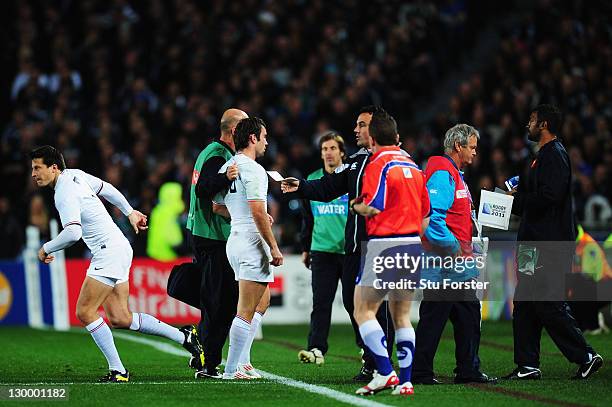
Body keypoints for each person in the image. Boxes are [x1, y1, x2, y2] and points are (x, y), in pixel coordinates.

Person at [30, 145, 203, 383]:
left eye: (37, 168)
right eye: (32, 168)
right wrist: (130, 211)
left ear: (54, 167)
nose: (33, 173)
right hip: (119, 247)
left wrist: (45, 248)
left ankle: (118, 370)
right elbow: (107, 189)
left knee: (85, 311)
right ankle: (185, 337)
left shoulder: (63, 191)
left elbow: (73, 233)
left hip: (108, 252)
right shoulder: (76, 175)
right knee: (121, 317)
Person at [281, 105, 395, 382]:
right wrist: (303, 187)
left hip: (380, 245)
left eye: (361, 125)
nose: (355, 129)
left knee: (381, 308)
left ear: (376, 128)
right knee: (353, 303)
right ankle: (372, 361)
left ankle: (385, 363)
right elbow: (330, 187)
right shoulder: (357, 162)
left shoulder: (393, 161)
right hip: (354, 247)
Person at [503, 104, 603, 380]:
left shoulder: (555, 155)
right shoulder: (543, 156)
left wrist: (517, 201)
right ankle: (527, 365)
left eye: (532, 120)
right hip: (533, 241)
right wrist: (518, 196)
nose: (528, 125)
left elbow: (550, 197)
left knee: (548, 303)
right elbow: (543, 195)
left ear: (544, 124)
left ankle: (585, 355)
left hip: (548, 243)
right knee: (524, 302)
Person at [350, 109, 430, 396]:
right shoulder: (413, 165)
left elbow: (374, 206)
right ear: (396, 137)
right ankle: (406, 381)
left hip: (385, 244)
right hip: (412, 245)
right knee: (402, 315)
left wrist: (356, 206)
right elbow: (426, 216)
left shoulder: (378, 163)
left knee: (363, 309)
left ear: (372, 137)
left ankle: (385, 372)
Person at [412, 124, 497, 385]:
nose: (474, 152)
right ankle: (422, 371)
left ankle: (466, 369)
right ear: (458, 146)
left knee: (467, 315)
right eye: (471, 147)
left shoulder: (452, 173)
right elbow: (432, 219)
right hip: (446, 263)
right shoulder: (441, 173)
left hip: (455, 264)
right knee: (435, 317)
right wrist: (454, 248)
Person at [212, 117, 282, 380]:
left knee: (261, 302)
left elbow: (217, 207)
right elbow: (256, 209)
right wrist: (273, 246)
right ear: (253, 138)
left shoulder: (229, 166)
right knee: (246, 308)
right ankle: (231, 371)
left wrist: (246, 215)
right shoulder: (254, 170)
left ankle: (244, 362)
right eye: (264, 136)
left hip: (236, 239)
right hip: (252, 241)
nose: (266, 142)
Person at [185, 108, 246, 378]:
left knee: (215, 298)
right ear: (234, 131)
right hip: (212, 237)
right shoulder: (219, 155)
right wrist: (226, 177)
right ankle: (208, 360)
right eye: (245, 128)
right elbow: (204, 188)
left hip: (205, 234)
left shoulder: (211, 151)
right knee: (219, 302)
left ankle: (204, 353)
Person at [297, 132, 349, 365]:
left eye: (332, 148)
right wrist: (306, 247)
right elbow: (307, 218)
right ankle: (316, 348)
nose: (328, 153)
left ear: (342, 153)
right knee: (321, 302)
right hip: (322, 250)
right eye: (324, 149)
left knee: (354, 303)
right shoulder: (313, 179)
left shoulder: (351, 178)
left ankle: (366, 348)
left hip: (350, 251)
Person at [147, 182, 185, 261]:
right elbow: (174, 240)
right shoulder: (170, 212)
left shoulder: (157, 210)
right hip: (167, 257)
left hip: (154, 255)